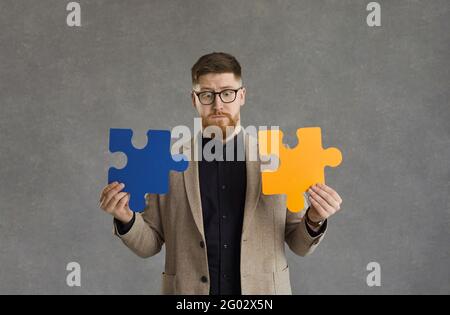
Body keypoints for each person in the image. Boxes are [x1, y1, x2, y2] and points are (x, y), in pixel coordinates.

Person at [98, 52, 343, 295]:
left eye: (227, 93)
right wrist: (126, 217)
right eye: (207, 95)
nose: (218, 104)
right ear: (194, 99)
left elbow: (298, 243)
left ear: (242, 96)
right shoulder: (168, 162)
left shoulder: (276, 159)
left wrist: (314, 218)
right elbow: (149, 244)